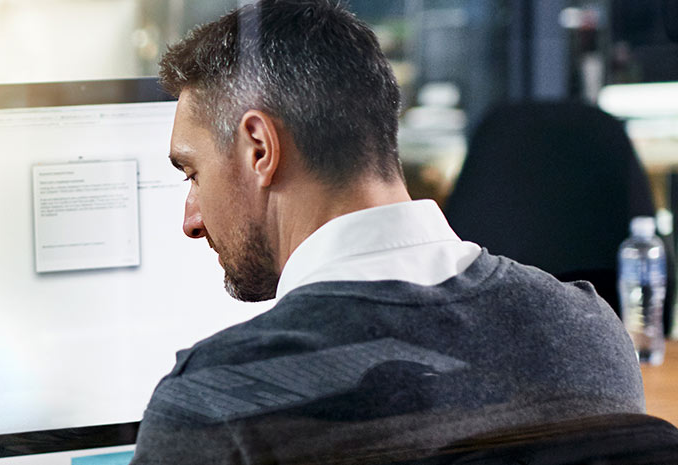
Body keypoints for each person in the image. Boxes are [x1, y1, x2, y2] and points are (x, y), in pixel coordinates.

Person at [130, 0, 646, 463]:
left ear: (259, 149)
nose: (191, 220)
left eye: (193, 174)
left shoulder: (217, 400)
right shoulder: (589, 333)